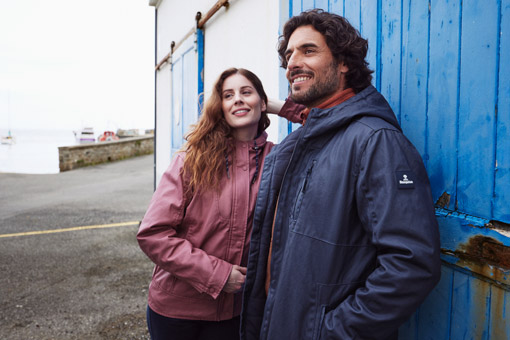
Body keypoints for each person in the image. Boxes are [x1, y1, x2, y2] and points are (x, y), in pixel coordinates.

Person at [240, 9, 441, 340]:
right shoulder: (297, 143)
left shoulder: (375, 142)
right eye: (289, 54)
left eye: (308, 50)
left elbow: (411, 264)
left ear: (344, 62)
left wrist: (329, 331)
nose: (292, 63)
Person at [136, 67, 299, 340]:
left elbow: (321, 120)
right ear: (219, 107)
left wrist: (272, 104)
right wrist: (219, 276)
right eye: (228, 95)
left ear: (262, 102)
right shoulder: (191, 160)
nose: (237, 99)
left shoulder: (278, 158)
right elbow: (153, 234)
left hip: (235, 313)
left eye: (246, 92)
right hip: (177, 310)